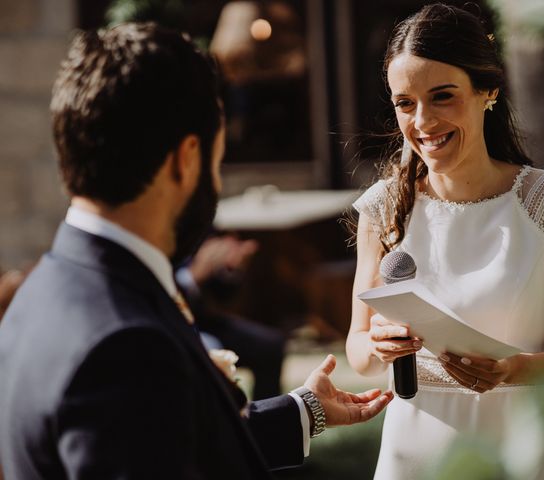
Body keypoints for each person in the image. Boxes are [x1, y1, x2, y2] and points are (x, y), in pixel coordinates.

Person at [0, 23, 393, 480]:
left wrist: (302, 412)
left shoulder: (46, 287)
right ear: (186, 158)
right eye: (217, 157)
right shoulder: (127, 345)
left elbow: (164, 444)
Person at [346, 4, 544, 479]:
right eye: (405, 103)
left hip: (521, 451)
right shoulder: (382, 207)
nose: (422, 121)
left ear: (488, 91)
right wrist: (378, 346)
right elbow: (358, 353)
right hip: (413, 453)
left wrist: (513, 370)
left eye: (442, 96)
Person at [176, 233, 286, 399]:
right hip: (174, 322)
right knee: (210, 349)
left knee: (270, 344)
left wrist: (232, 269)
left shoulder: (202, 228)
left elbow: (221, 296)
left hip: (203, 320)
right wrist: (193, 276)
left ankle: (266, 414)